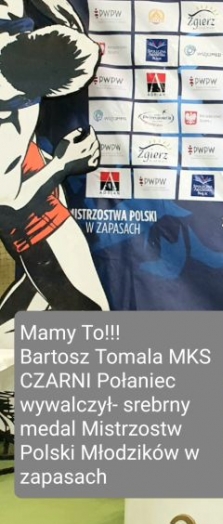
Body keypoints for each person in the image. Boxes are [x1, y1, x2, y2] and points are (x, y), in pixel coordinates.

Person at [0, 17, 109, 348]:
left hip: (31, 177)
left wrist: (68, 20)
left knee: (36, 306)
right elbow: (10, 200)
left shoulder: (9, 35)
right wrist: (63, 163)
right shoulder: (8, 128)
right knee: (91, 317)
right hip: (24, 207)